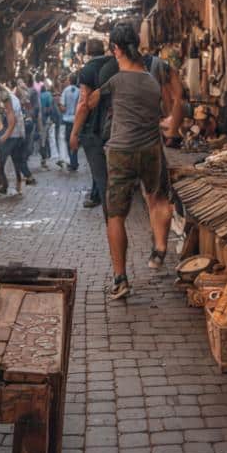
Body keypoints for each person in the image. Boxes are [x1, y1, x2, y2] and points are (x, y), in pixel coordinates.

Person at [74, 23, 177, 301]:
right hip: (151, 149)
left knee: (116, 215)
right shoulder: (152, 80)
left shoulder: (116, 81)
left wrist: (77, 130)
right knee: (158, 198)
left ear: (116, 49)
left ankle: (120, 279)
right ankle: (159, 249)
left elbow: (89, 102)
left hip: (121, 151)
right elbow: (168, 109)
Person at [71, 40, 111, 208]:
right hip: (115, 127)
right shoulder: (114, 66)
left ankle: (111, 219)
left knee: (101, 176)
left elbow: (83, 104)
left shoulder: (87, 71)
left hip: (94, 129)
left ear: (87, 52)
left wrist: (74, 132)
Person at [60, 74, 81, 171]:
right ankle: (74, 161)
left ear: (69, 80)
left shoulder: (65, 91)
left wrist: (61, 108)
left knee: (69, 140)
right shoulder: (79, 91)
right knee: (75, 139)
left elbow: (63, 107)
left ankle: (73, 163)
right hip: (77, 119)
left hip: (67, 120)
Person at [38, 79, 59, 167]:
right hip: (47, 119)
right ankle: (50, 155)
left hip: (40, 119)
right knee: (51, 136)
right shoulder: (48, 95)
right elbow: (51, 107)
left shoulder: (39, 96)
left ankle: (44, 156)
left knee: (43, 139)